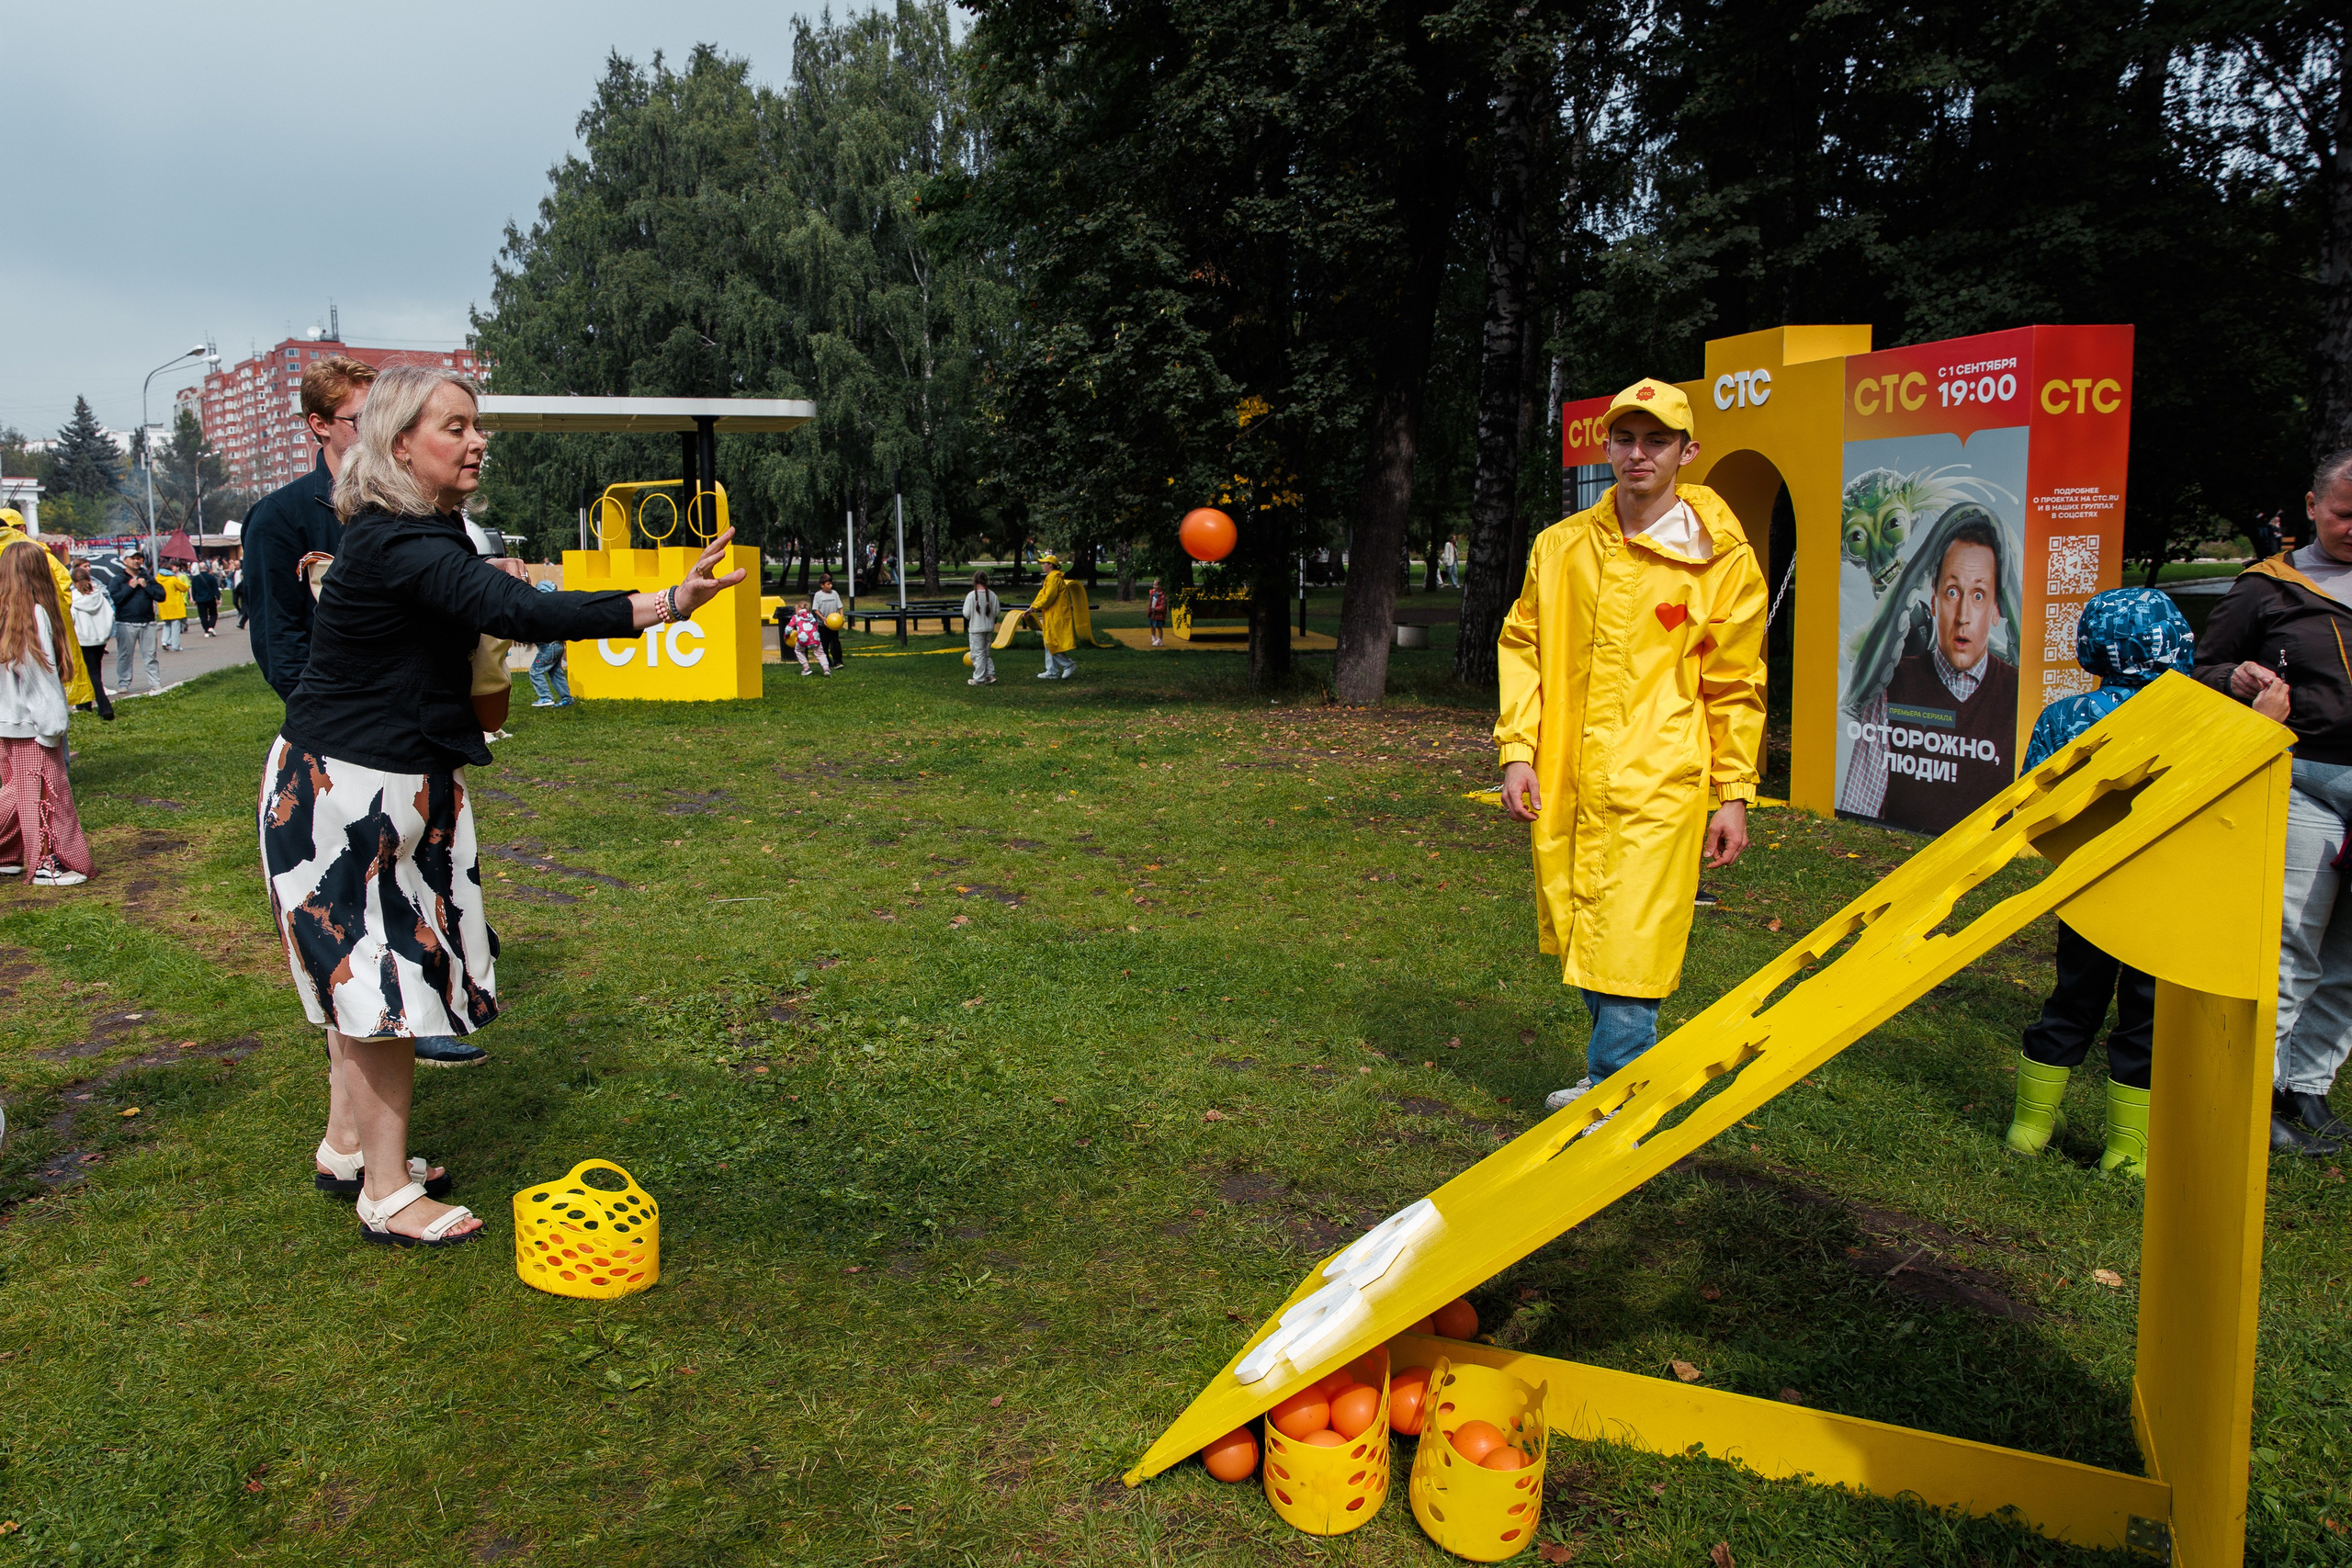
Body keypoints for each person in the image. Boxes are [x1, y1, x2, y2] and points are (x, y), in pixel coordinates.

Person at [268, 366, 744, 1245]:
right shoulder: (400, 544)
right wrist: (667, 602)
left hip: (392, 782)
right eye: (454, 426)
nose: (476, 439)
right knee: (379, 991)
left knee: (370, 979)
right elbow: (518, 609)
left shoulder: (422, 528)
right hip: (350, 796)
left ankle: (346, 1146)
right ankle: (384, 1192)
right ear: (399, 441)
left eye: (474, 423)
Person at [1495, 378, 1765, 1111]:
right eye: (1625, 438)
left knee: (1631, 941)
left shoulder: (1719, 559)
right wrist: (1518, 749)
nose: (1637, 454)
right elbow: (1523, 644)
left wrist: (1732, 794)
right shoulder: (1562, 548)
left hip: (1660, 777)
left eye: (1656, 440)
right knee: (1586, 924)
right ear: (1606, 444)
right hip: (1570, 774)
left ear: (1688, 451)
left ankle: (1620, 1097)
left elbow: (1735, 683)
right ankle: (1609, 1075)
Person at [2004, 590, 2207, 1179]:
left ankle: (2031, 1127)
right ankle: (2127, 1151)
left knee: (2073, 998)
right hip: (2164, 893)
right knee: (2145, 1013)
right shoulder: (2193, 718)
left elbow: (2032, 799)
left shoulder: (2063, 717)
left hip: (2086, 886)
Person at [2196, 445, 2352, 1156]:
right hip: (2304, 777)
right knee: (2291, 942)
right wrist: (2236, 678)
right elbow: (2202, 667)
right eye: (2346, 513)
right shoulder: (2267, 586)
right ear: (2314, 507)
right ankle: (2248, 1096)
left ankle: (2306, 1086)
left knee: (2349, 954)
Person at [1837, 507, 2022, 834]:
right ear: (1934, 600)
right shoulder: (1892, 687)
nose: (1963, 614)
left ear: (1996, 609)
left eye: (1978, 595)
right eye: (1952, 592)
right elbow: (1859, 814)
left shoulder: (2020, 694)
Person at [246, 355, 374, 701]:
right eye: (363, 419)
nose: (380, 429)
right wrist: (326, 716)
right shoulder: (279, 516)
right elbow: (278, 641)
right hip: (340, 720)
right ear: (320, 424)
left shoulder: (405, 503)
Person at [0, 541, 94, 886]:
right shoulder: (31, 613)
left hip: (7, 722)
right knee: (44, 796)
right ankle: (45, 863)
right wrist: (53, 723)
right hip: (31, 723)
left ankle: (7, 856)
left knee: (20, 790)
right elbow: (38, 676)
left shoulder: (3, 611)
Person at [0, 511, 94, 715]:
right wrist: (57, 616)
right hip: (36, 622)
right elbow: (64, 583)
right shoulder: (35, 550)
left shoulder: (27, 551)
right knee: (43, 685)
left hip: (14, 627)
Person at [109, 555, 164, 696]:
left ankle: (155, 683)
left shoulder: (148, 578)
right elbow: (115, 599)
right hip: (126, 623)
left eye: (139, 558)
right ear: (125, 561)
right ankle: (123, 683)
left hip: (148, 623)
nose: (136, 561)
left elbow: (161, 596)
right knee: (125, 655)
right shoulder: (118, 580)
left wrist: (146, 586)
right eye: (132, 558)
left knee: (150, 655)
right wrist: (129, 587)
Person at [69, 562, 114, 722]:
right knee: (95, 671)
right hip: (100, 639)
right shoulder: (99, 596)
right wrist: (105, 634)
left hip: (83, 639)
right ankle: (86, 704)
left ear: (74, 582)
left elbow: (72, 619)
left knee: (91, 673)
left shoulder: (73, 599)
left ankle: (104, 707)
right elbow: (110, 614)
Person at [525, 580, 574, 707]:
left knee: (535, 671)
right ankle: (567, 698)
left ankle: (545, 697)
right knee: (555, 672)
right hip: (557, 645)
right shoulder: (556, 609)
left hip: (549, 647)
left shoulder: (542, 609)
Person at [1030, 552, 1078, 679]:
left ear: (1050, 565)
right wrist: (1033, 606)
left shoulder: (1053, 579)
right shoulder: (1051, 578)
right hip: (1052, 615)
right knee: (1048, 641)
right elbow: (1042, 595)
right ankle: (1052, 671)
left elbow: (1048, 598)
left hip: (1056, 615)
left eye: (1044, 563)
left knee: (1052, 642)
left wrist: (1034, 607)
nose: (1042, 566)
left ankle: (1068, 665)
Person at [964, 570, 1001, 684]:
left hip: (976, 628)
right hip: (989, 627)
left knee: (977, 653)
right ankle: (990, 674)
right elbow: (997, 612)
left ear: (974, 581)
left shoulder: (971, 596)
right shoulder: (992, 595)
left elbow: (966, 613)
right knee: (986, 653)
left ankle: (979, 678)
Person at [782, 600, 831, 676]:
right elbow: (815, 626)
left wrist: (786, 635)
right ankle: (826, 669)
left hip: (803, 638)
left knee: (798, 651)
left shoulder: (796, 617)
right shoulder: (812, 617)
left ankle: (806, 668)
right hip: (815, 638)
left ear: (798, 609)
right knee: (820, 654)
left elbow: (788, 629)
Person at [811, 573, 846, 669]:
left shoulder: (834, 593)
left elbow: (840, 606)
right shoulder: (818, 595)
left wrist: (842, 616)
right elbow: (815, 609)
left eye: (831, 584)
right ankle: (827, 663)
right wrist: (822, 618)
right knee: (824, 645)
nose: (830, 586)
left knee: (835, 644)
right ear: (822, 585)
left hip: (834, 625)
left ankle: (838, 662)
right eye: (828, 584)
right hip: (823, 625)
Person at [156, 566, 190, 652]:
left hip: (163, 605)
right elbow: (184, 588)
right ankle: (176, 646)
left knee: (167, 624)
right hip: (175, 605)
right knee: (176, 626)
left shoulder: (157, 579)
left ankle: (164, 641)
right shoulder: (173, 579)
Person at [189, 564, 220, 637]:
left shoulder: (195, 578)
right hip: (210, 598)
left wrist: (194, 599)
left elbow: (193, 590)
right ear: (206, 567)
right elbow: (215, 588)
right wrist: (218, 598)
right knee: (213, 614)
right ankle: (211, 626)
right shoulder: (211, 577)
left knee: (203, 615)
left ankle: (206, 630)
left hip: (199, 599)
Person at [1146, 577, 1167, 648]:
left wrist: (1156, 608)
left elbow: (1163, 606)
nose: (1154, 586)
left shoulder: (1162, 596)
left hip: (1158, 614)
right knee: (1151, 624)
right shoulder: (1153, 593)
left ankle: (1160, 640)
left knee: (1158, 626)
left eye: (1156, 585)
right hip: (1152, 612)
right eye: (1154, 584)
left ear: (1161, 586)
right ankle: (1153, 636)